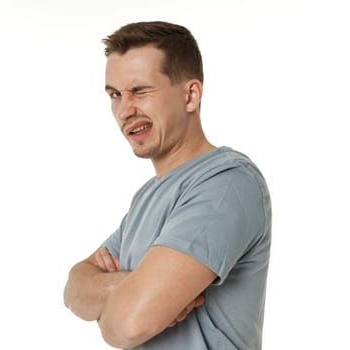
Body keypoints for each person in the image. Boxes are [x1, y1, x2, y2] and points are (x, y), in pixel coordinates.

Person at [63, 21, 272, 350]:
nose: (124, 110)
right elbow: (74, 289)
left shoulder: (227, 184)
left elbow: (126, 325)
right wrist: (128, 287)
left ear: (190, 95)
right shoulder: (148, 196)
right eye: (115, 94)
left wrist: (113, 305)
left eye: (140, 91)